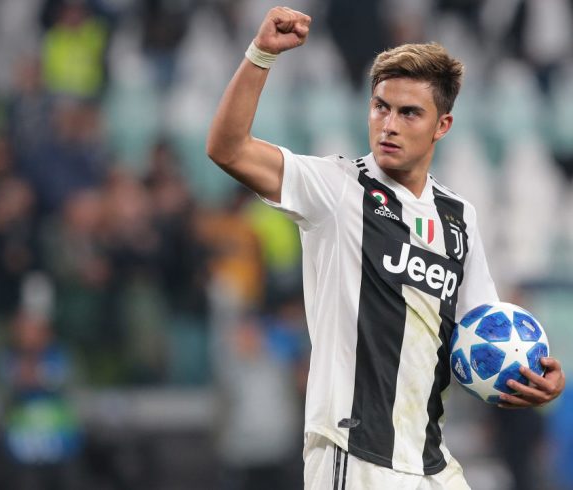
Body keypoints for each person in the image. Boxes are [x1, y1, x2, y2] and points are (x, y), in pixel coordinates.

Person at [206, 6, 566, 489]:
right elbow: (228, 148)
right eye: (381, 107)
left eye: (409, 112)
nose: (389, 124)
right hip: (355, 454)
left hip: (430, 460)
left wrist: (530, 379)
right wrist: (261, 55)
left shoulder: (458, 217)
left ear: (442, 125)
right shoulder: (335, 188)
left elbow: (480, 334)